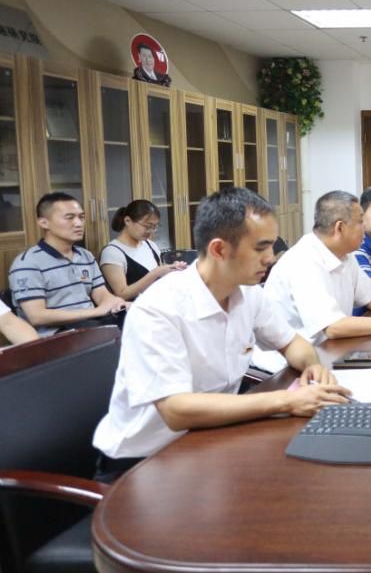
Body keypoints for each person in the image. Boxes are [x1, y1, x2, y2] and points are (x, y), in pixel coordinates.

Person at [91, 187, 349, 482]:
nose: (270, 258)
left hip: (208, 438)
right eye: (260, 248)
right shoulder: (159, 308)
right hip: (144, 461)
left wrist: (313, 367)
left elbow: (292, 343)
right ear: (219, 250)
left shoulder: (248, 294)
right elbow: (176, 410)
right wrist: (288, 401)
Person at [262, 190, 371, 351]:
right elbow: (333, 327)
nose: (364, 228)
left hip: (327, 348)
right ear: (340, 227)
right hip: (288, 363)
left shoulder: (345, 255)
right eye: (360, 222)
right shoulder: (304, 261)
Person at [9, 192, 128, 336]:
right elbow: (36, 316)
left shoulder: (85, 256)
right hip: (56, 336)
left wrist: (116, 304)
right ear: (44, 223)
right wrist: (96, 311)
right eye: (69, 217)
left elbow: (102, 294)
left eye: (81, 217)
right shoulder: (27, 264)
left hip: (92, 324)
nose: (78, 223)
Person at [99, 199, 186, 300]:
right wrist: (155, 273)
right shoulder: (112, 253)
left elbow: (160, 278)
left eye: (154, 227)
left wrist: (171, 269)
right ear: (128, 221)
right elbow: (122, 294)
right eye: (147, 226)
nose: (151, 231)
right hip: (134, 307)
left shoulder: (150, 245)